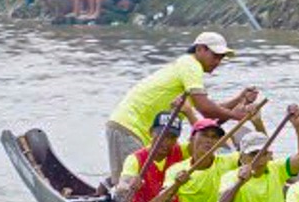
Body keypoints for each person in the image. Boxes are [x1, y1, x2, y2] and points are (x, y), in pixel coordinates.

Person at [106, 32, 257, 174]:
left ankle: (105, 189)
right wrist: (236, 115)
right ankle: (109, 192)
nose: (217, 62)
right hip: (130, 127)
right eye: (215, 56)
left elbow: (208, 120)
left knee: (144, 179)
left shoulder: (190, 70)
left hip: (143, 132)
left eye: (221, 58)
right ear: (199, 49)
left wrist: (239, 99)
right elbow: (206, 109)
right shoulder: (191, 65)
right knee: (132, 184)